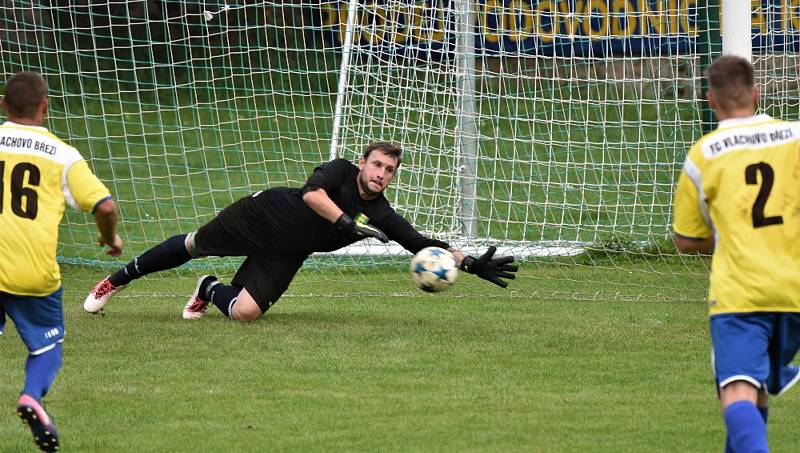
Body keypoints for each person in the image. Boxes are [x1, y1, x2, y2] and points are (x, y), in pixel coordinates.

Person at [85, 142, 517, 321]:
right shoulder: (339, 171)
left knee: (246, 314)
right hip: (260, 216)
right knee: (195, 244)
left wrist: (469, 261)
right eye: (377, 165)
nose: (381, 174)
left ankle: (209, 288)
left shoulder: (381, 213)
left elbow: (420, 243)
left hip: (287, 252)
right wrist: (348, 224)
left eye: (389, 170)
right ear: (363, 163)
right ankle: (114, 282)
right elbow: (312, 195)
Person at [672, 55, 800, 453]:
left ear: (710, 100)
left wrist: (728, 231)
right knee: (757, 393)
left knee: (737, 391)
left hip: (741, 294)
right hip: (794, 290)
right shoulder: (795, 136)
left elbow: (685, 240)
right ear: (757, 93)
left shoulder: (703, 155)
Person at [0, 71, 122, 452]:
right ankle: (32, 396)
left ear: (3, 106)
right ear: (45, 107)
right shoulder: (62, 155)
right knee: (45, 347)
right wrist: (108, 236)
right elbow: (104, 205)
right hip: (32, 271)